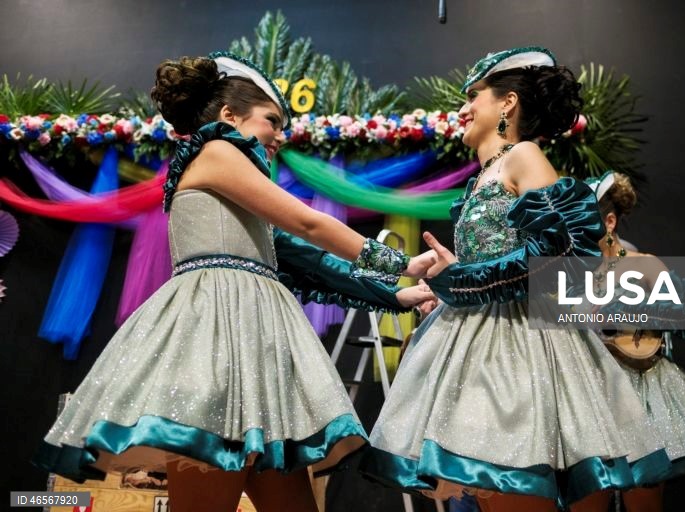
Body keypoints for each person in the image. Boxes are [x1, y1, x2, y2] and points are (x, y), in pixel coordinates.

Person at [32, 51, 437, 512]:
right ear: (228, 115)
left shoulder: (239, 182)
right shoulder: (218, 151)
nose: (280, 137)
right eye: (272, 120)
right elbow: (309, 225)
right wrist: (400, 263)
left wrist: (397, 294)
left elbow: (303, 257)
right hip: (216, 342)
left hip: (254, 353)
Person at [361, 47, 670, 512]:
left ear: (507, 103)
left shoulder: (523, 155)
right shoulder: (483, 177)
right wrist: (443, 281)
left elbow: (563, 253)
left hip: (521, 349)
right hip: (478, 346)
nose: (463, 108)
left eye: (473, 96)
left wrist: (462, 280)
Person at [586, 171, 685, 511]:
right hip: (588, 394)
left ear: (609, 222)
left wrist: (629, 313)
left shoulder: (644, 265)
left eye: (583, 222)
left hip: (638, 394)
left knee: (643, 498)